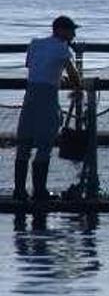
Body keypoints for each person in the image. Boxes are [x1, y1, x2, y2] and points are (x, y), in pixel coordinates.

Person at [13, 16, 82, 202]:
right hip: (48, 96)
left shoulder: (34, 44)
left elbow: (34, 68)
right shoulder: (62, 48)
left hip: (30, 95)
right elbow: (74, 75)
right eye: (71, 30)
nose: (73, 35)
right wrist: (76, 88)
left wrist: (56, 77)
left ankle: (19, 191)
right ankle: (39, 192)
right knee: (45, 143)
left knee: (24, 144)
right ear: (60, 30)